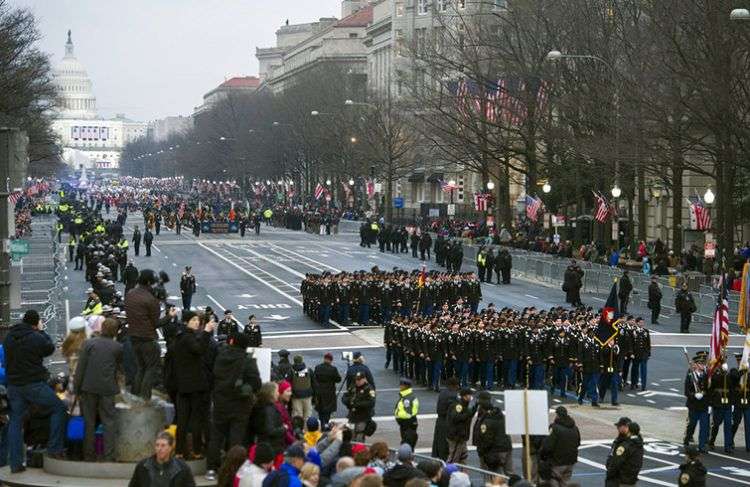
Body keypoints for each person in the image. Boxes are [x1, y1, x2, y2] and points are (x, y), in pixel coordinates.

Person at [3, 310, 67, 473]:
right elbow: (49, 348)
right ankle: (54, 449)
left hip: (14, 385)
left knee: (15, 421)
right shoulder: (36, 337)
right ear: (35, 323)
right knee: (58, 408)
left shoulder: (10, 337)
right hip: (33, 384)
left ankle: (16, 463)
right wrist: (42, 330)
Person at [206, 331, 261, 478]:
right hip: (240, 404)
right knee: (236, 438)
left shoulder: (220, 356)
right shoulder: (247, 360)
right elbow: (256, 383)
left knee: (216, 436)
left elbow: (213, 375)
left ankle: (211, 468)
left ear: (231, 342)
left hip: (220, 402)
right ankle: (232, 470)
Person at [74, 318, 123, 462]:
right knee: (109, 422)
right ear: (115, 331)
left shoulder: (89, 344)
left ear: (102, 328)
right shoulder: (117, 347)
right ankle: (109, 456)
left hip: (88, 387)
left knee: (89, 422)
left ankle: (88, 455)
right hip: (107, 389)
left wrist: (77, 389)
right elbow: (120, 369)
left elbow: (81, 368)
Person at [173, 310, 215, 459]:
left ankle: (179, 451)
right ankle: (196, 451)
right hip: (195, 385)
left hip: (182, 385)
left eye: (197, 320)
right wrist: (207, 332)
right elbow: (200, 350)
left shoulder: (178, 337)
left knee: (182, 420)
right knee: (195, 419)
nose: (197, 322)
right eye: (193, 320)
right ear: (186, 322)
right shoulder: (188, 337)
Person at [125, 270, 162, 400]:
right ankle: (145, 397)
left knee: (140, 367)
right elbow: (156, 323)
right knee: (150, 368)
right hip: (147, 338)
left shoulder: (129, 294)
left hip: (133, 336)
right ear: (148, 282)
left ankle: (136, 395)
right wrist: (170, 316)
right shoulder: (151, 300)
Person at [128, 431, 196, 487]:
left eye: (163, 445)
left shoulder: (182, 468)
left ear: (170, 448)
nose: (159, 449)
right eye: (157, 445)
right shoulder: (143, 466)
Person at [472, 391, 512, 475]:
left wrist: (481, 451)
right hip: (506, 447)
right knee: (510, 475)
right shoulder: (498, 414)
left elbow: (486, 439)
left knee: (494, 477)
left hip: (494, 452)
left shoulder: (486, 420)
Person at [540, 406, 580, 487]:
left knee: (554, 481)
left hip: (557, 462)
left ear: (557, 415)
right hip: (571, 461)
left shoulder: (555, 428)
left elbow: (548, 447)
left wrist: (543, 456)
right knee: (565, 482)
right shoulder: (575, 428)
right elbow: (578, 443)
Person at [605, 418, 643, 487]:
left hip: (620, 481)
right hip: (631, 480)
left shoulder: (625, 445)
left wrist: (610, 474)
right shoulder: (639, 443)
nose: (617, 428)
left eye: (619, 426)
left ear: (627, 428)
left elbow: (616, 462)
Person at [684, 354, 710, 452]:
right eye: (700, 363)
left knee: (704, 427)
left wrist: (705, 395)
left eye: (703, 363)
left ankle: (702, 445)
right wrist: (694, 395)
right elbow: (686, 391)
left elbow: (709, 389)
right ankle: (687, 439)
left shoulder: (706, 375)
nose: (702, 365)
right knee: (692, 425)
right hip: (693, 405)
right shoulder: (691, 375)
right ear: (696, 364)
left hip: (703, 405)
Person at [342, 371, 376, 442]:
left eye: (359, 380)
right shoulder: (353, 386)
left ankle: (359, 451)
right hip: (352, 416)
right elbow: (345, 396)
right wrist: (348, 402)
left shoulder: (369, 389)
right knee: (350, 435)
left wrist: (357, 404)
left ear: (364, 379)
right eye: (356, 379)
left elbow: (371, 402)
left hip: (362, 417)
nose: (357, 381)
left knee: (359, 437)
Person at [431, 377, 458, 460]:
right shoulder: (453, 395)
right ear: (455, 385)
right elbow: (454, 412)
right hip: (447, 422)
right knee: (445, 446)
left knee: (438, 443)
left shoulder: (443, 392)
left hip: (439, 420)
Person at [446, 388, 474, 464]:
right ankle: (447, 474)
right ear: (464, 396)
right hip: (457, 437)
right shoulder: (459, 406)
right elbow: (455, 418)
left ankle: (462, 473)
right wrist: (468, 414)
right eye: (469, 395)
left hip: (462, 437)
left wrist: (473, 410)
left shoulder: (464, 405)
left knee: (463, 457)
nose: (471, 397)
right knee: (453, 459)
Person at [313, 352, 342, 425]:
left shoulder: (318, 367)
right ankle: (325, 423)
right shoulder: (333, 369)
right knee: (328, 410)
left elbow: (314, 378)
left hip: (319, 391)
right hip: (329, 392)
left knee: (320, 409)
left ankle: (322, 422)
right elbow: (338, 379)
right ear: (331, 360)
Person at [395, 378, 419, 449]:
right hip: (406, 424)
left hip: (407, 424)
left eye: (401, 385)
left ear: (406, 386)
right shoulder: (406, 396)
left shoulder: (407, 399)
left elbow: (408, 413)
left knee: (407, 444)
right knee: (407, 443)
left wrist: (399, 417)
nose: (400, 386)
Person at [290, 355, 315, 420]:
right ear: (302, 361)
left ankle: (298, 429)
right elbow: (314, 384)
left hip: (296, 397)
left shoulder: (291, 371)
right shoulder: (309, 370)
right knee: (307, 416)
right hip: (308, 396)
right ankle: (307, 429)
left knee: (297, 416)